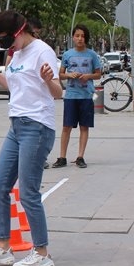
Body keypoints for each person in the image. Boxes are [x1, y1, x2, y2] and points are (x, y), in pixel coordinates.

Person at [0, 11, 62, 266]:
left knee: (28, 192)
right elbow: (16, 87)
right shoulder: (16, 53)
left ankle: (42, 252)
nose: (5, 44)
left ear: (21, 31)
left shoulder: (42, 51)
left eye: (7, 38)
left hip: (37, 126)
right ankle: (3, 247)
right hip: (16, 126)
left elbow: (58, 92)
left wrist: (48, 80)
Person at [51, 24, 101, 169]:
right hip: (71, 96)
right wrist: (69, 75)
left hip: (86, 96)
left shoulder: (92, 55)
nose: (80, 39)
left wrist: (88, 76)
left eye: (83, 36)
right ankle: (62, 157)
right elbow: (60, 74)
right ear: (73, 37)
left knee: (84, 127)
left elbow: (98, 74)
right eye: (77, 36)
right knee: (66, 127)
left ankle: (80, 157)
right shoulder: (67, 54)